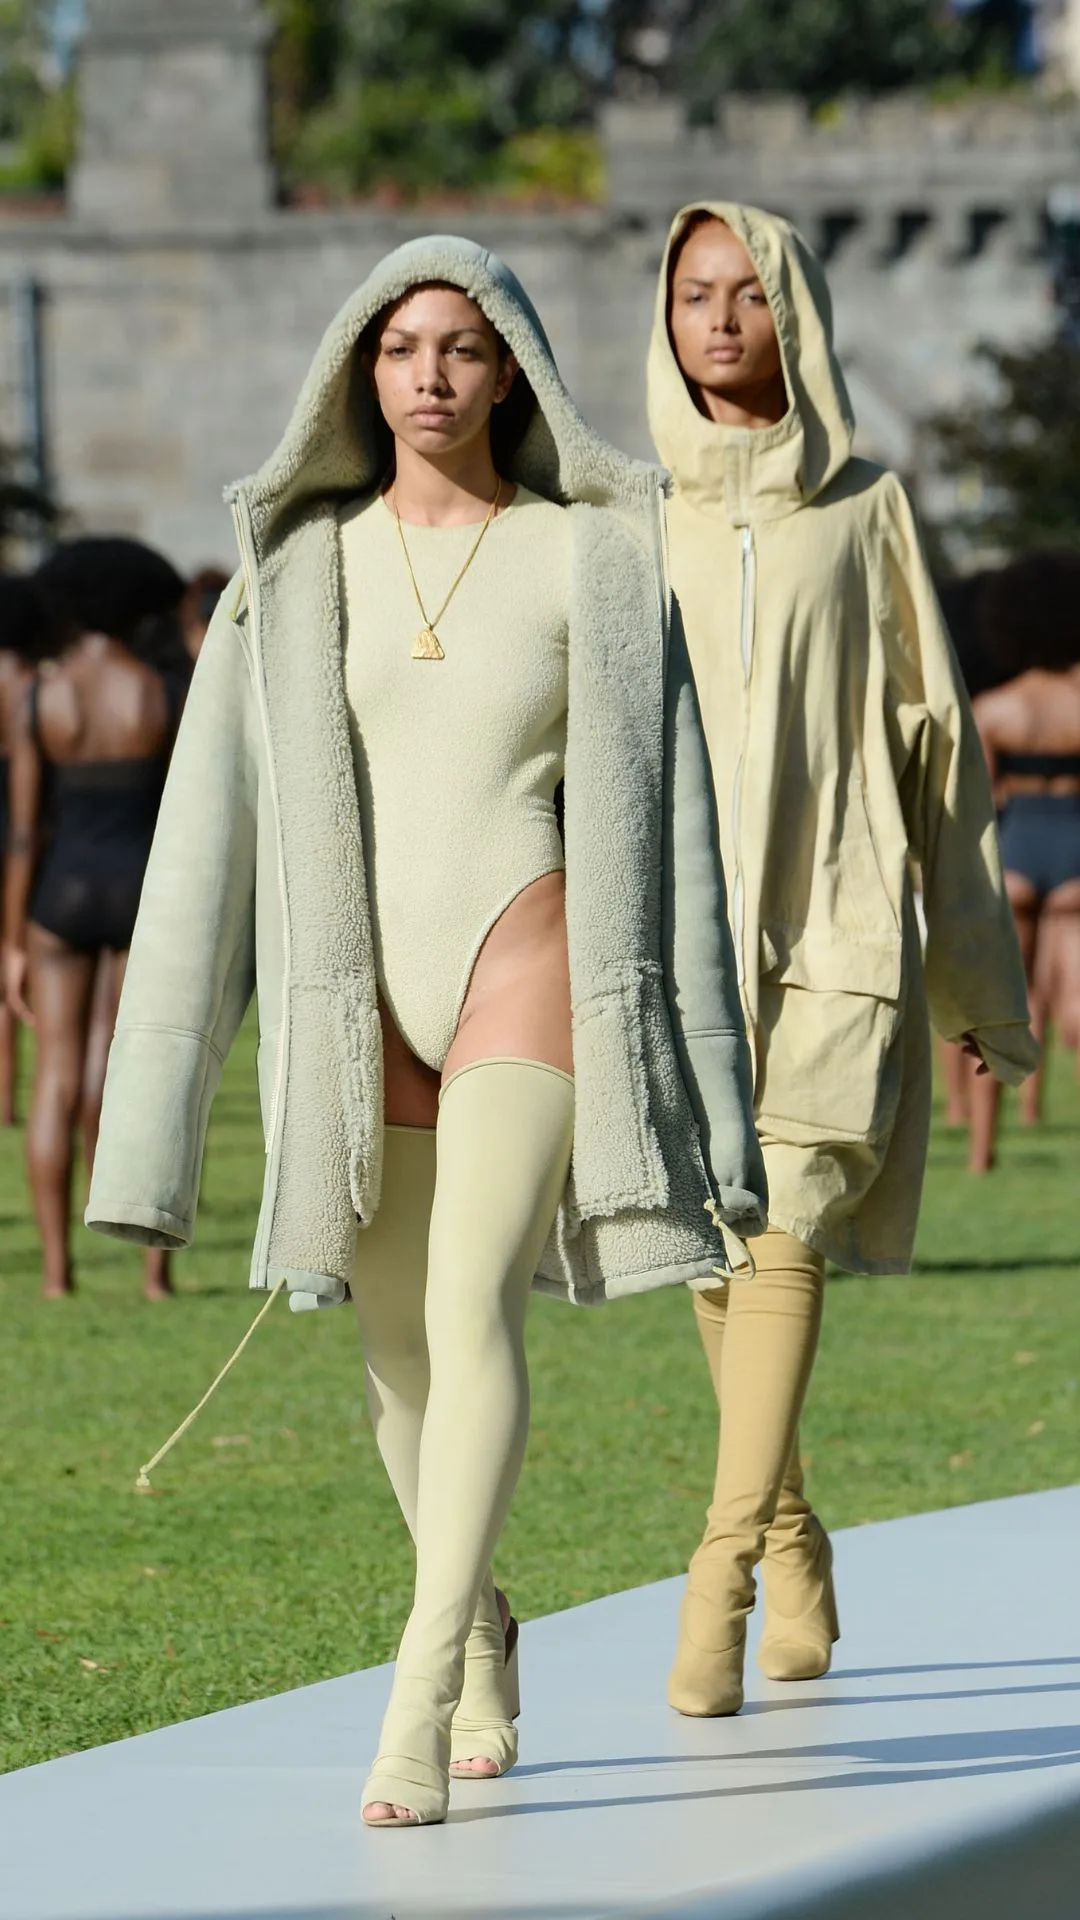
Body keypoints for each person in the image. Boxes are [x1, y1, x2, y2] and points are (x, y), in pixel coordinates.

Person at [84, 236, 768, 1828]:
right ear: (358, 372)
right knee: (394, 1350)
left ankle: (414, 1690)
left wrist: (715, 1102)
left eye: (462, 346)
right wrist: (156, 1127)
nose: (432, 375)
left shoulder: (594, 561)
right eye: (401, 349)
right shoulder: (295, 569)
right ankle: (481, 1625)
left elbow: (670, 845)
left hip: (530, 953)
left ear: (512, 367)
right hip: (352, 994)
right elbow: (203, 853)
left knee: (471, 1313)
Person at [647, 203, 1037, 1720]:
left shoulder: (868, 509)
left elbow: (942, 748)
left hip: (840, 926)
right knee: (723, 1247)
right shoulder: (628, 519)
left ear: (796, 314)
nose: (724, 321)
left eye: (751, 295)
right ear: (664, 318)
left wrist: (979, 985)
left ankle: (722, 1567)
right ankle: (797, 1519)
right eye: (695, 296)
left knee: (791, 1216)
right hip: (678, 943)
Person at [3, 537, 186, 1299]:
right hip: (139, 887)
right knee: (119, 1077)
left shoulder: (42, 694)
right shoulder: (160, 689)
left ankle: (55, 1274)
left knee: (54, 1080)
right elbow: (183, 816)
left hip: (63, 893)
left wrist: (12, 940)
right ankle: (152, 1274)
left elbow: (24, 830)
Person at [969, 549, 1080, 1171]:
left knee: (1004, 1010)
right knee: (1077, 1003)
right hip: (1076, 846)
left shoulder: (996, 708)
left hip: (1017, 848)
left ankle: (983, 1153)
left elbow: (984, 804)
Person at [0, 574, 53, 1126]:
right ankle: (14, 1098)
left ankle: (4, 1102)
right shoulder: (33, 685)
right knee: (23, 967)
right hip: (24, 832)